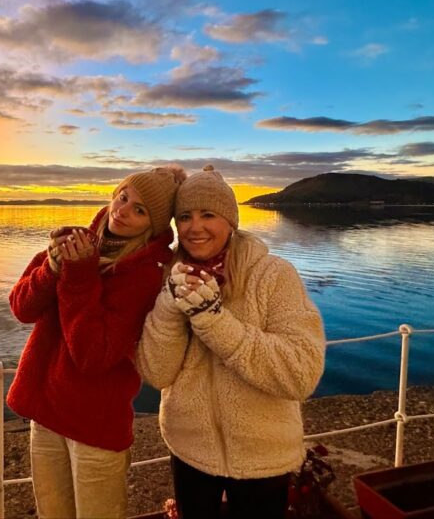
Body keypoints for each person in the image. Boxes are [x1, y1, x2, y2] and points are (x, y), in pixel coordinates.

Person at [136, 165, 326, 519]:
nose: (195, 227)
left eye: (208, 214)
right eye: (186, 216)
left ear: (230, 222)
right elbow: (158, 373)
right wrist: (168, 304)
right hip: (189, 449)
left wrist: (213, 320)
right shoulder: (170, 277)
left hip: (264, 456)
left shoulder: (273, 276)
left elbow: (302, 374)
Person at [7, 166, 186, 519]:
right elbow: (21, 308)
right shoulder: (78, 244)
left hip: (95, 427)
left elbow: (92, 355)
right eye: (124, 197)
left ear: (155, 224)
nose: (123, 210)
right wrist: (52, 268)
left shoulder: (147, 274)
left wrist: (76, 275)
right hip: (46, 415)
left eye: (140, 210)